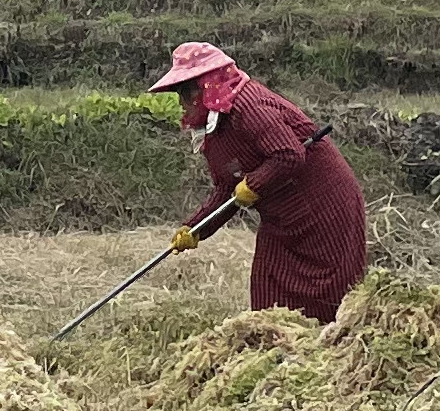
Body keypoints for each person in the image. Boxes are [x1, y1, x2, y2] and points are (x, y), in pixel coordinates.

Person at [152, 41, 367, 324]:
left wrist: (255, 183)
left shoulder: (249, 105)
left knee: (330, 296)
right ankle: (275, 353)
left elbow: (289, 154)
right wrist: (195, 228)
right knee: (268, 285)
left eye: (186, 91)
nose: (182, 101)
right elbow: (226, 191)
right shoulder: (216, 128)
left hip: (326, 207)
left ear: (208, 84)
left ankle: (327, 353)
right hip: (282, 218)